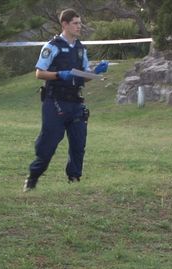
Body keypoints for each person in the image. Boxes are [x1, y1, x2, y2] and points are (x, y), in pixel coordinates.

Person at [23, 8, 108, 192]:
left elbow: (83, 76)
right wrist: (60, 75)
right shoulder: (52, 46)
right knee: (48, 145)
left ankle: (74, 179)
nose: (80, 26)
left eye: (80, 23)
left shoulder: (80, 48)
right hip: (55, 103)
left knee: (78, 144)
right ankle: (33, 177)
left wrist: (95, 72)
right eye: (76, 23)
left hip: (75, 103)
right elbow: (39, 73)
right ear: (65, 24)